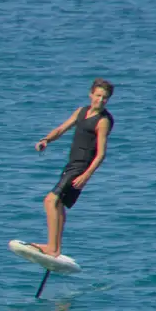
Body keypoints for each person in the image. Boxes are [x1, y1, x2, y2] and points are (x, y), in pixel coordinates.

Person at [30, 79, 114, 257]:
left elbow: (101, 154)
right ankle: (56, 248)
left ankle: (51, 247)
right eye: (98, 96)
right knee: (58, 204)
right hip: (71, 164)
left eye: (105, 98)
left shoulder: (103, 121)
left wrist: (87, 175)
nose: (100, 100)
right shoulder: (81, 111)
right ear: (91, 94)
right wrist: (46, 140)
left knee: (50, 201)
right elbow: (61, 129)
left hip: (81, 168)